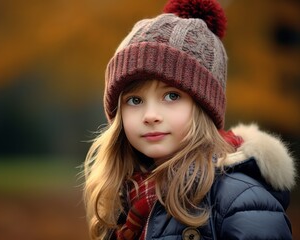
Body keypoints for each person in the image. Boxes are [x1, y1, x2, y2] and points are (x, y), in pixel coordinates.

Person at [83, 0, 296, 239]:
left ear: (204, 107)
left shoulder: (238, 200)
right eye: (135, 100)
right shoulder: (124, 198)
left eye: (172, 96)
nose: (150, 115)